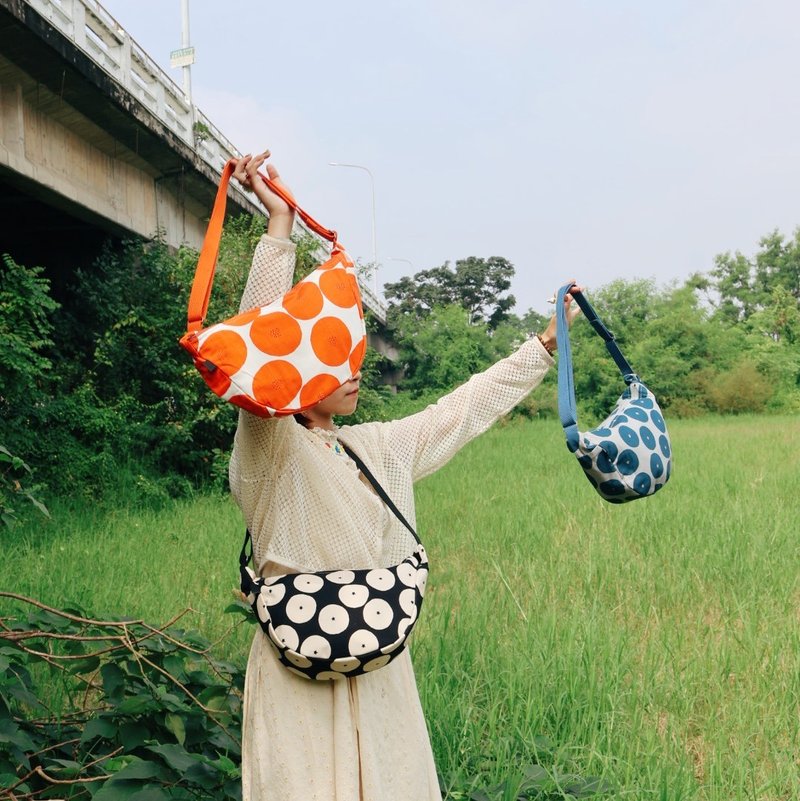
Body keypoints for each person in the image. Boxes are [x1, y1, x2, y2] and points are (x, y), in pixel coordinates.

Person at [229, 151, 580, 801]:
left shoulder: (378, 447)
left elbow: (461, 411)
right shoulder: (270, 449)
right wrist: (277, 231)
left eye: (353, 353)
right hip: (296, 679)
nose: (353, 368)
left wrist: (541, 350)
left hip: (381, 666)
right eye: (333, 360)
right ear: (296, 377)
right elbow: (256, 355)